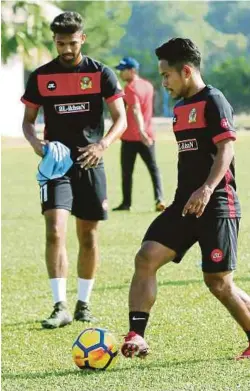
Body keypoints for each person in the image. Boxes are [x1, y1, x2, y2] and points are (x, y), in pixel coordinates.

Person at [121, 38, 250, 360]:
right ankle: (137, 334)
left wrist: (206, 189)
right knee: (146, 257)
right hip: (185, 205)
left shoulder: (214, 101)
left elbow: (226, 149)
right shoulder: (180, 109)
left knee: (218, 282)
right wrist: (182, 198)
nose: (163, 82)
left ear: (187, 71)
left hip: (217, 203)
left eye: (167, 75)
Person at [21, 11, 127, 329]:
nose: (66, 49)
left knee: (88, 236)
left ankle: (84, 304)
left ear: (83, 38)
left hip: (90, 162)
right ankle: (60, 305)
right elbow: (27, 122)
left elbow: (121, 118)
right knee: (55, 230)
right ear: (54, 41)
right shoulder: (41, 76)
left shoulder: (101, 74)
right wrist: (38, 145)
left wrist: (103, 145)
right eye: (60, 43)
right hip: (56, 165)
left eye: (71, 42)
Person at [112, 57, 166, 212]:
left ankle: (126, 203)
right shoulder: (148, 86)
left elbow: (135, 109)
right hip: (149, 135)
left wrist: (140, 130)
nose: (120, 73)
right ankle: (159, 199)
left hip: (132, 137)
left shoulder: (130, 87)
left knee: (127, 171)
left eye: (123, 70)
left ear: (132, 70)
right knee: (153, 168)